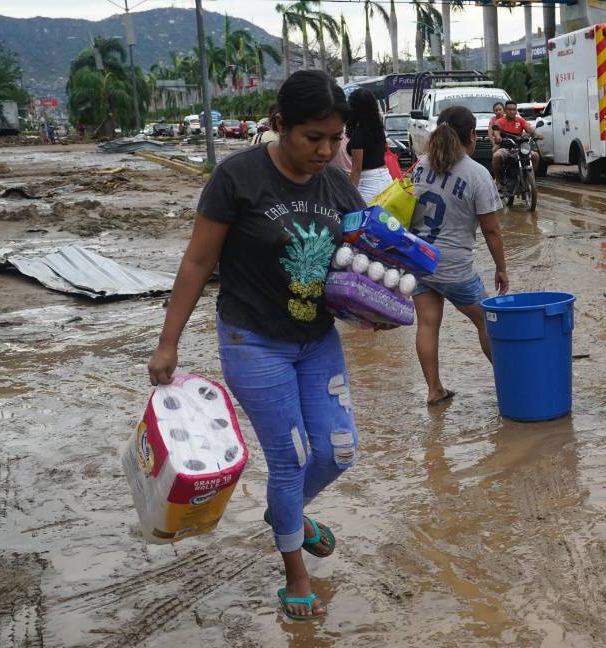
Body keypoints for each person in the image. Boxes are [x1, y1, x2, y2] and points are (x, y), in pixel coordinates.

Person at [147, 70, 365, 621]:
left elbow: (358, 267)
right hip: (253, 340)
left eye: (334, 138)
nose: (325, 150)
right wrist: (167, 343)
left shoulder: (338, 184)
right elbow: (198, 262)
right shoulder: (236, 179)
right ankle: (295, 572)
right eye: (312, 137)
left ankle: (284, 515)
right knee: (290, 458)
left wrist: (373, 310)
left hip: (317, 340)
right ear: (278, 125)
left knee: (338, 450)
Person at [408, 105, 508, 406]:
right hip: (454, 267)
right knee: (489, 322)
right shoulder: (477, 174)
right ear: (470, 136)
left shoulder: (419, 166)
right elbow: (492, 230)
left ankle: (434, 389)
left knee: (426, 324)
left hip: (418, 260)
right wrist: (502, 268)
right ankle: (511, 381)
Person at [345, 88, 392, 202]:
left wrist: (348, 197)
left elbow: (357, 169)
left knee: (362, 218)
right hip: (387, 179)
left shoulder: (358, 133)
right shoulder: (378, 129)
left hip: (368, 184)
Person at [491, 100, 542, 181]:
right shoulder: (499, 122)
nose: (512, 111)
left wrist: (536, 134)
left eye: (514, 109)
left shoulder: (520, 120)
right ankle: (498, 181)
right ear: (505, 110)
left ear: (516, 111)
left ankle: (530, 178)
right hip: (506, 148)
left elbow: (529, 129)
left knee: (535, 156)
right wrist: (498, 138)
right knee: (496, 156)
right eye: (509, 109)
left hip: (520, 148)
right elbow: (496, 133)